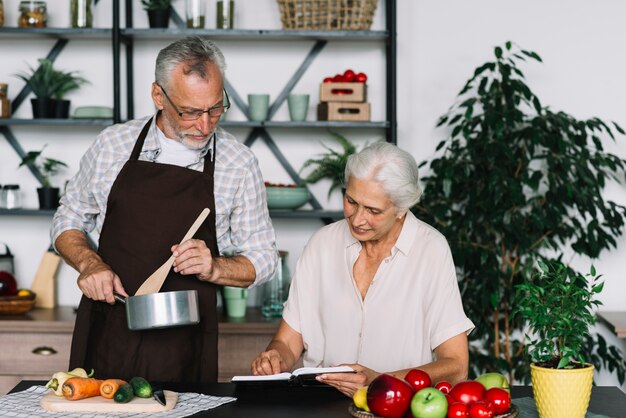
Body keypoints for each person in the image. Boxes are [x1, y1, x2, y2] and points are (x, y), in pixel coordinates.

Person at [52, 36, 278, 383]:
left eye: (216, 109)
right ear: (159, 96)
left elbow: (264, 259)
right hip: (109, 326)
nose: (205, 125)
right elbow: (68, 221)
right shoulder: (113, 145)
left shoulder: (238, 163)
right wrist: (89, 263)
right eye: (190, 112)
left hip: (184, 341)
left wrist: (214, 267)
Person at [251, 142, 474, 397]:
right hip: (323, 405)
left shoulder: (431, 249)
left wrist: (380, 381)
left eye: (373, 210)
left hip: (395, 407)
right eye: (351, 201)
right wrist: (275, 357)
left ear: (401, 209)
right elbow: (289, 341)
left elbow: (456, 365)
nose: (357, 219)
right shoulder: (321, 244)